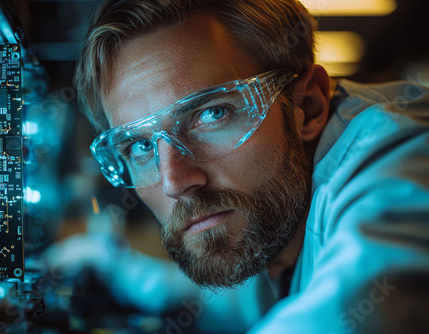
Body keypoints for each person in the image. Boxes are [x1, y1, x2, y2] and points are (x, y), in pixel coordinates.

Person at [73, 0, 429, 332]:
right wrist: (112, 263)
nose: (174, 181)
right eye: (139, 145)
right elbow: (227, 303)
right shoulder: (268, 215)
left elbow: (353, 310)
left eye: (212, 114)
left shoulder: (402, 151)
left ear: (308, 104)